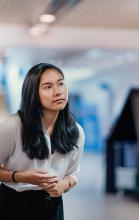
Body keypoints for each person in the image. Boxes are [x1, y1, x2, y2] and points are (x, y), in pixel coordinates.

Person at [0, 63, 85, 220]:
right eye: (48, 87)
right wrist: (21, 177)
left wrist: (64, 185)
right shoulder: (13, 126)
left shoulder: (76, 131)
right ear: (33, 93)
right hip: (14, 203)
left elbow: (73, 174)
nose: (58, 91)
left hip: (53, 206)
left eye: (60, 83)